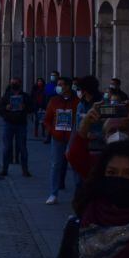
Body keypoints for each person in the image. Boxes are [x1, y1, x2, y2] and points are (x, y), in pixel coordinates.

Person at [42, 77, 80, 205]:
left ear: (68, 86)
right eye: (58, 84)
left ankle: (79, 195)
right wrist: (52, 131)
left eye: (61, 84)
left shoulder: (77, 102)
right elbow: (47, 119)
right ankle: (53, 194)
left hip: (72, 138)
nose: (59, 87)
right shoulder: (53, 101)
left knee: (75, 166)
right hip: (57, 138)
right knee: (55, 165)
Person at [0, 78, 31, 178]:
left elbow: (31, 108)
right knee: (7, 148)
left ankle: (25, 170)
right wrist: (6, 109)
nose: (14, 84)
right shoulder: (6, 96)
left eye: (16, 82)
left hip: (21, 124)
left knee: (23, 148)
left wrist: (25, 107)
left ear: (20, 83)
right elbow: (0, 109)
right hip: (9, 124)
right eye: (12, 82)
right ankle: (4, 169)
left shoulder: (25, 96)